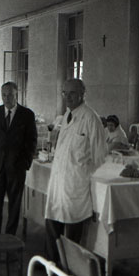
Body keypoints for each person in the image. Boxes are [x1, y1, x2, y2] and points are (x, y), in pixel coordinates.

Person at [44, 79, 107, 261]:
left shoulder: (90, 119)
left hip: (76, 185)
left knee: (72, 235)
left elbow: (99, 157)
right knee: (52, 224)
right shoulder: (67, 116)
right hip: (59, 183)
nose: (68, 97)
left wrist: (82, 174)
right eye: (64, 93)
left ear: (82, 94)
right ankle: (52, 264)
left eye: (72, 93)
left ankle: (70, 268)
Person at [0, 82, 37, 235]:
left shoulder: (27, 115)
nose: (6, 98)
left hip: (16, 167)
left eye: (10, 95)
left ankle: (10, 236)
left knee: (14, 205)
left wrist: (25, 163)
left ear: (17, 94)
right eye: (4, 95)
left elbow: (32, 141)